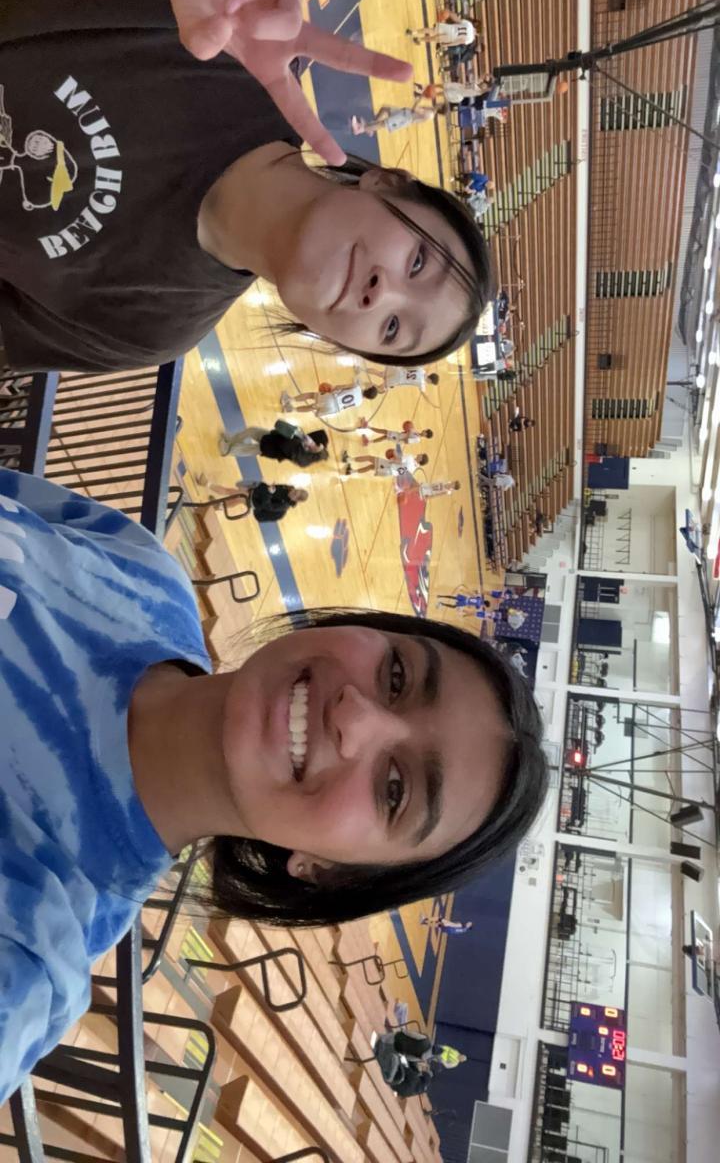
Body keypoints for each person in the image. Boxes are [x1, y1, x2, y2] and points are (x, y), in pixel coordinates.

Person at [0, 467, 547, 1101]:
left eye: (395, 790)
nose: (355, 718)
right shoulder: (142, 570)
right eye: (396, 675)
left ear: (326, 870)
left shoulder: (28, 957)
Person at [0, 0, 494, 375]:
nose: (380, 294)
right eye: (417, 262)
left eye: (392, 328)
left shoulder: (148, 329)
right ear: (387, 183)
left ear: (338, 342)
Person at [191, 479, 309, 524]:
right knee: (235, 497)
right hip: (255, 492)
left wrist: (269, 493)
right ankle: (219, 506)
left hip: (256, 502)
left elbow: (266, 506)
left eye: (295, 494)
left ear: (295, 500)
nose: (293, 492)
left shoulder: (284, 506)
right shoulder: (287, 488)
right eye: (295, 490)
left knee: (233, 494)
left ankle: (207, 484)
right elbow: (271, 488)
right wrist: (257, 488)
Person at [219, 422, 329, 467]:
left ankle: (227, 451)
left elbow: (287, 445)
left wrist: (299, 439)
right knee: (252, 431)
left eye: (316, 446)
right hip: (273, 438)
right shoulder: (308, 447)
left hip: (272, 448)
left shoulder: (303, 457)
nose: (314, 443)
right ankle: (231, 441)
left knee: (247, 450)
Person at [281, 379, 378, 417]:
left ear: (368, 388)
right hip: (334, 410)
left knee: (311, 395)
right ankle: (290, 409)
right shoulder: (360, 403)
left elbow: (340, 387)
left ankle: (288, 400)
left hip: (332, 399)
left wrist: (332, 388)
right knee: (312, 407)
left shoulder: (357, 387)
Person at [351, 103, 436, 137]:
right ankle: (370, 127)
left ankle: (359, 129)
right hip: (405, 113)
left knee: (383, 124)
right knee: (385, 109)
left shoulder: (429, 114)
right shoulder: (430, 111)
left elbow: (415, 109)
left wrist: (420, 97)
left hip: (405, 118)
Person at [408, 10, 477, 48]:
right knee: (434, 39)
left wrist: (450, 13)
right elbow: (458, 42)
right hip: (451, 37)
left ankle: (413, 32)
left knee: (432, 30)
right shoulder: (470, 39)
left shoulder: (469, 25)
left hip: (449, 28)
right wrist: (447, 45)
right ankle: (419, 39)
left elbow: (457, 20)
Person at [342, 448, 429, 478]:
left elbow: (398, 461)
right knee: (370, 467)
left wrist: (394, 453)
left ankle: (348, 459)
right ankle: (351, 472)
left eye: (421, 455)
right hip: (389, 473)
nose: (420, 454)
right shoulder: (413, 470)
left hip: (388, 466)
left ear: (421, 458)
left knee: (369, 458)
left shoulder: (410, 458)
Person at [365, 366, 440, 394]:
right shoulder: (422, 384)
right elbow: (424, 394)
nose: (429, 384)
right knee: (381, 389)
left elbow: (407, 367)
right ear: (430, 381)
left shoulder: (420, 369)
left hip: (398, 370)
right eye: (431, 383)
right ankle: (366, 384)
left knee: (380, 373)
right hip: (398, 379)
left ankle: (362, 369)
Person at [357, 419, 433, 446]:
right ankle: (368, 442)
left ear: (426, 434)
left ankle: (367, 426)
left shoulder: (417, 439)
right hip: (398, 436)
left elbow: (407, 441)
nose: (424, 430)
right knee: (384, 437)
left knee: (384, 432)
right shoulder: (417, 433)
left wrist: (409, 432)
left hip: (398, 438)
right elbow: (406, 433)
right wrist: (407, 431)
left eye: (426, 431)